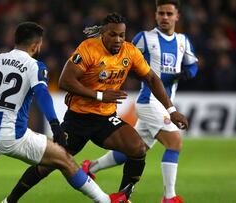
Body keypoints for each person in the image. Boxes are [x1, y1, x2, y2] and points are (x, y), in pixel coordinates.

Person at [3, 13, 189, 203]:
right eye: (113, 35)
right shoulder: (88, 49)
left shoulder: (130, 52)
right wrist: (100, 95)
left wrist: (171, 111)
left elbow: (151, 78)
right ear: (102, 33)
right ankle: (9, 200)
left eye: (122, 35)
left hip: (105, 119)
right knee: (46, 166)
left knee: (137, 148)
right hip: (78, 119)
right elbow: (65, 81)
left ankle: (123, 197)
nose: (118, 40)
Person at [0, 22, 133, 203]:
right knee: (64, 159)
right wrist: (55, 125)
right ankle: (105, 201)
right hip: (12, 135)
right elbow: (43, 95)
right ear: (36, 45)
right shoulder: (33, 65)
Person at [82, 1, 199, 203]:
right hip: (149, 101)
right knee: (175, 143)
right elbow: (124, 59)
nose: (165, 17)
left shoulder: (182, 41)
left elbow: (193, 65)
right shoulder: (145, 38)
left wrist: (186, 73)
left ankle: (90, 167)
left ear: (177, 16)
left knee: (137, 149)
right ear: (155, 15)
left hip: (165, 101)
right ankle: (169, 197)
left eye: (169, 13)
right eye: (161, 13)